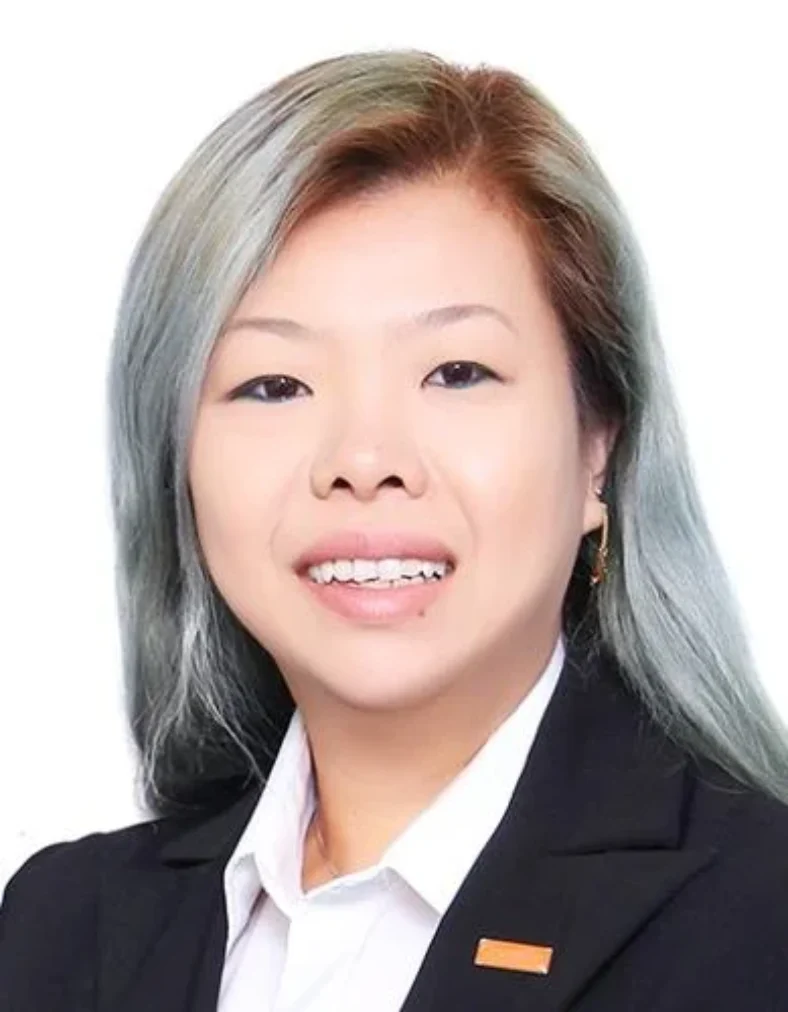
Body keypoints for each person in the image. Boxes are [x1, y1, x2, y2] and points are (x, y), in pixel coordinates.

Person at [2, 48, 788, 1012]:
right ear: (177, 466)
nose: (364, 457)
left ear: (599, 451)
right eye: (275, 385)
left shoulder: (760, 921)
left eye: (457, 372)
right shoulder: (56, 931)